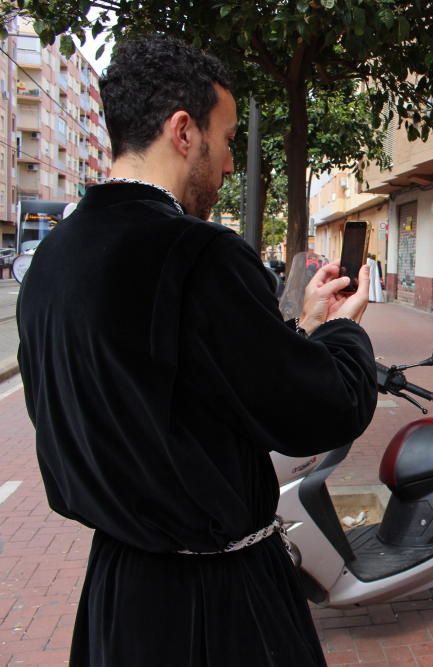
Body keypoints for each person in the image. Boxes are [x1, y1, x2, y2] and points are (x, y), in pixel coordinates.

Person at [16, 35, 378, 666]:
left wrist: (297, 330)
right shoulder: (197, 254)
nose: (231, 164)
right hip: (216, 606)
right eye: (228, 138)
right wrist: (339, 333)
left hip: (118, 596)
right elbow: (321, 412)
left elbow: (182, 397)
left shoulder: (51, 261)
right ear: (184, 131)